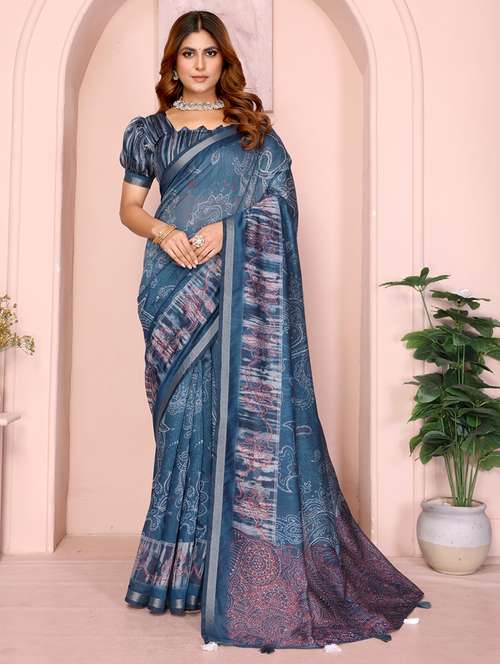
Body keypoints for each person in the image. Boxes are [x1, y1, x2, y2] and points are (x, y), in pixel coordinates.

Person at [118, 9, 431, 653]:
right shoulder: (148, 132)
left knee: (232, 423)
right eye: (188, 53)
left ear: (224, 60)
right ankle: (178, 576)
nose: (199, 64)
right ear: (173, 61)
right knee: (181, 427)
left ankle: (228, 574)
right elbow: (128, 208)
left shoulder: (253, 133)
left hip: (234, 286)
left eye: (209, 52)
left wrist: (228, 231)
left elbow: (281, 207)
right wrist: (167, 233)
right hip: (172, 288)